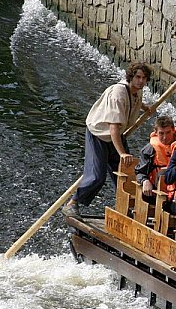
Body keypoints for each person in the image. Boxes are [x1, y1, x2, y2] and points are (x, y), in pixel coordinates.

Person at [62, 62, 153, 217]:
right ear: (131, 77)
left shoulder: (136, 92)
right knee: (97, 176)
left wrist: (144, 107)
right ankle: (72, 203)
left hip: (116, 135)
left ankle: (126, 208)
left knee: (126, 173)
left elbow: (132, 102)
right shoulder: (118, 93)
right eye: (138, 77)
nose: (141, 81)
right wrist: (122, 153)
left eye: (144, 78)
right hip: (99, 134)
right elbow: (113, 127)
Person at [134, 115, 176, 205]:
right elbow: (140, 172)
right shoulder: (149, 149)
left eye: (168, 132)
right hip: (157, 189)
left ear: (173, 130)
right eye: (161, 133)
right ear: (156, 133)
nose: (165, 137)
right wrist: (144, 181)